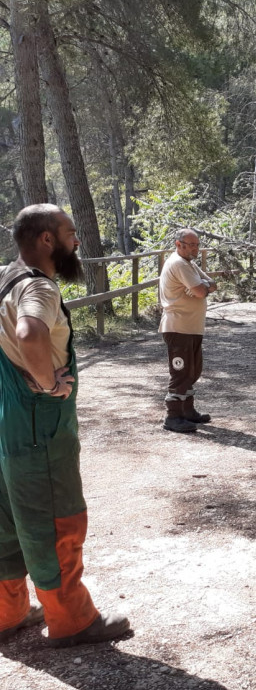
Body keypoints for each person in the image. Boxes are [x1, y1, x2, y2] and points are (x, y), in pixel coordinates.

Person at [0, 204, 129, 647]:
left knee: (7, 519)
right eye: (71, 232)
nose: (77, 240)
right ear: (47, 240)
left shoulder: (4, 276)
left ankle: (7, 612)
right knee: (56, 518)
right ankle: (71, 619)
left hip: (7, 422)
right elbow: (30, 333)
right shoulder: (39, 288)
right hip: (40, 424)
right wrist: (48, 381)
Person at [159, 229, 217, 433]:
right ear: (178, 244)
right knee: (180, 372)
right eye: (190, 244)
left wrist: (203, 288)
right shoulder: (178, 263)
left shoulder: (189, 264)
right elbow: (202, 290)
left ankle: (187, 410)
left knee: (193, 371)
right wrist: (202, 288)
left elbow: (211, 284)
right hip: (178, 327)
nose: (195, 248)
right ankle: (172, 416)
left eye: (197, 244)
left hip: (192, 327)